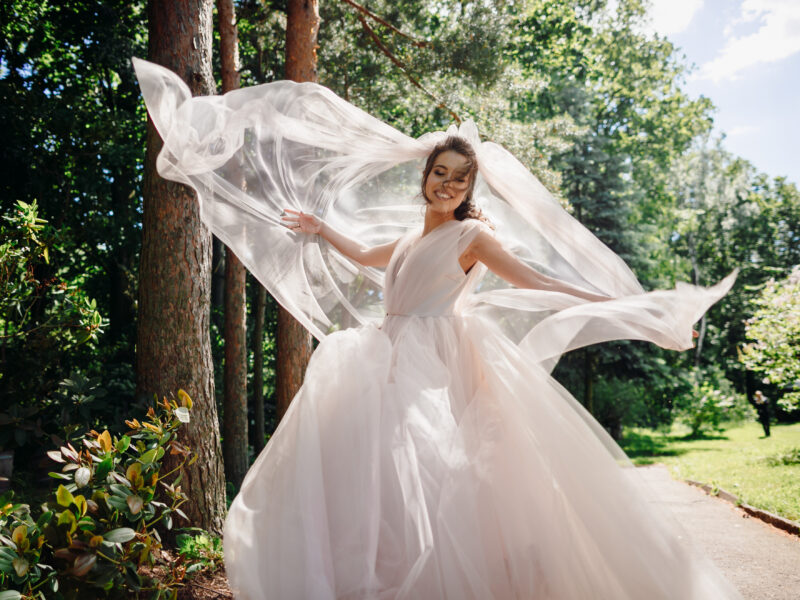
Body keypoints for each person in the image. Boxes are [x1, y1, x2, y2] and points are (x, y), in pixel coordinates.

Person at [132, 57, 742, 599]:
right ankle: (382, 574)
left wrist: (622, 305)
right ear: (424, 175)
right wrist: (322, 230)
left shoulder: (472, 236)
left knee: (433, 467)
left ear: (471, 189)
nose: (447, 185)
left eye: (460, 178)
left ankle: (442, 579)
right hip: (384, 350)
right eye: (440, 173)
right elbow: (372, 258)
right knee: (379, 473)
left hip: (432, 357)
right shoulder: (411, 234)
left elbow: (534, 281)